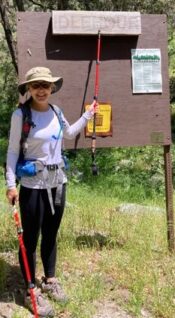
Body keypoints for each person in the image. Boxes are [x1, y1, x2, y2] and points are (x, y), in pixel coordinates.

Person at [6, 66, 97, 317]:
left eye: (45, 85)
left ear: (52, 87)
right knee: (31, 238)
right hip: (33, 185)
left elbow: (69, 133)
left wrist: (88, 116)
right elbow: (13, 151)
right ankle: (30, 289)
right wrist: (11, 184)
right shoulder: (20, 115)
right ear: (28, 89)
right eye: (35, 85)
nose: (41, 90)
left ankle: (50, 279)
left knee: (51, 233)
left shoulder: (57, 112)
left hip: (58, 183)